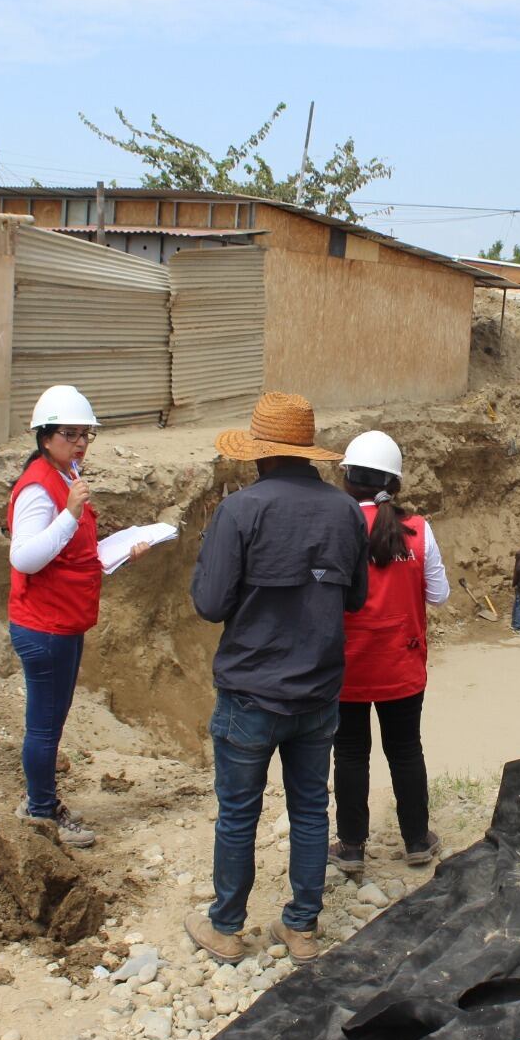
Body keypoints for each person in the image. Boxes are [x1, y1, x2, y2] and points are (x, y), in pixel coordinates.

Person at [189, 392, 369, 966]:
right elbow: (357, 599)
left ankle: (226, 927)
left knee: (240, 812)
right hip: (318, 693)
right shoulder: (344, 511)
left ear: (259, 454)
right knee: (311, 808)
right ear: (307, 452)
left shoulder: (240, 511)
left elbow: (211, 605)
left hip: (251, 693)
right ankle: (302, 928)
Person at [7, 385, 150, 849]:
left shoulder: (64, 476)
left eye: (86, 435)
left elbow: (72, 552)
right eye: (71, 435)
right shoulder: (38, 487)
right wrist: (69, 514)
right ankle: (41, 810)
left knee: (51, 719)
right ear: (45, 436)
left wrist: (118, 553)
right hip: (44, 625)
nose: (81, 444)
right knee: (45, 724)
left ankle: (40, 801)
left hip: (62, 620)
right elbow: (26, 558)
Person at [327, 431, 450, 882]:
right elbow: (438, 594)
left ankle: (352, 846)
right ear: (394, 483)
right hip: (402, 664)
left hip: (347, 666)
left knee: (351, 756)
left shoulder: (335, 528)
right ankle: (417, 839)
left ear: (347, 480)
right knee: (405, 751)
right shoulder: (418, 531)